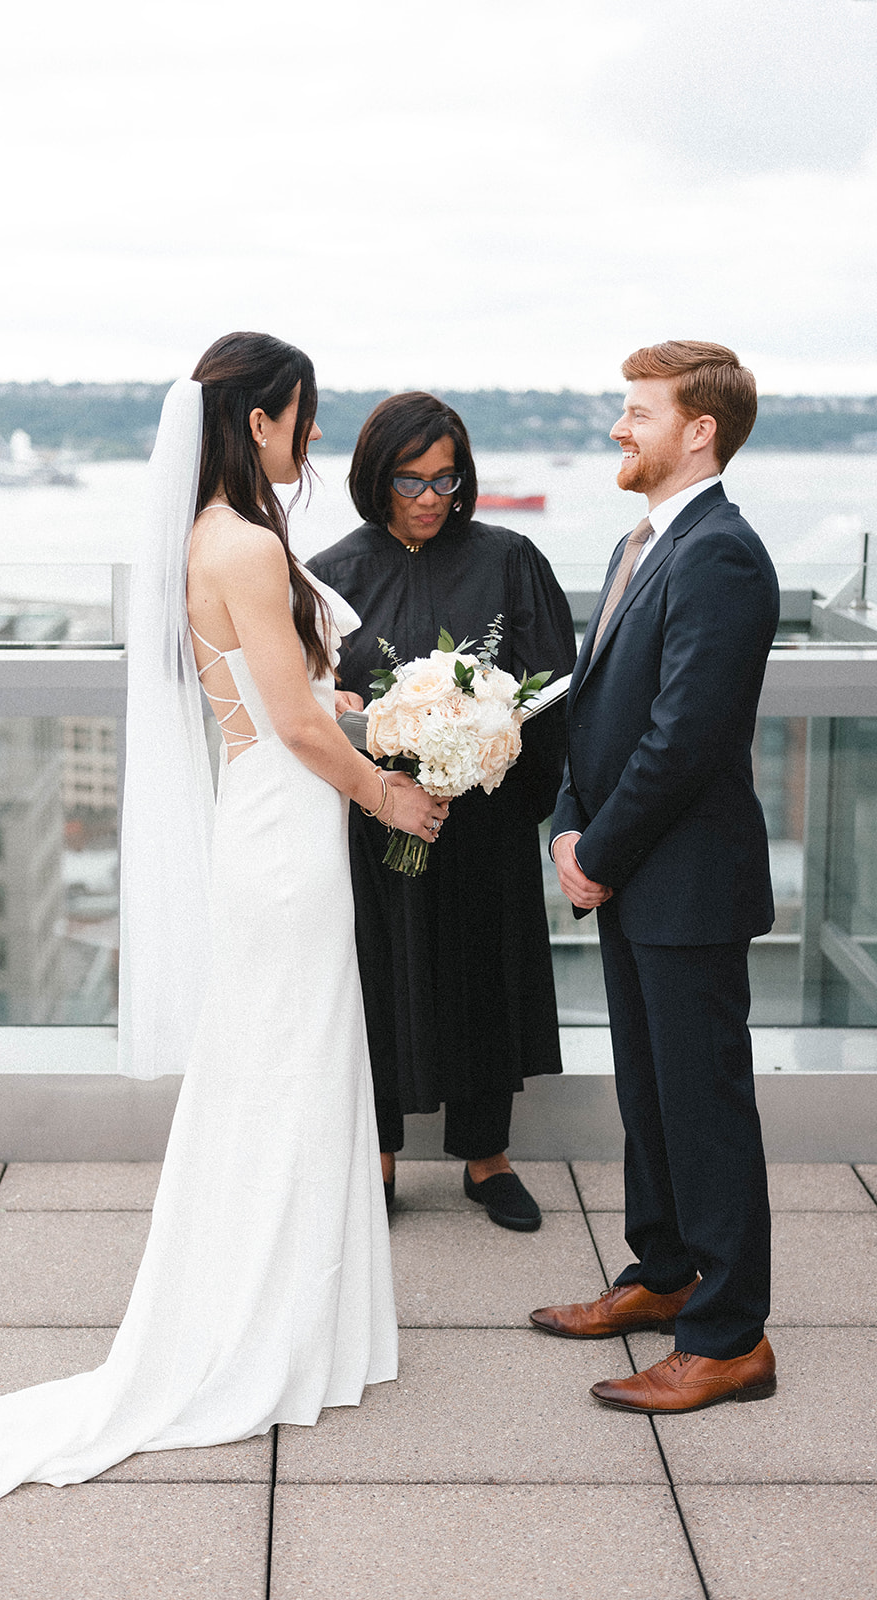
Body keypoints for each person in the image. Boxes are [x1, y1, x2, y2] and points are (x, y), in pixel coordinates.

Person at [0, 333, 447, 1548]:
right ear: (255, 421)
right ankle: (269, 1326)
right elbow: (288, 718)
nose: (312, 436)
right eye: (302, 415)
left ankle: (292, 1313)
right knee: (289, 1075)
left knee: (284, 1074)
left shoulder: (215, 539)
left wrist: (381, 714)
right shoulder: (241, 543)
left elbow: (287, 697)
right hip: (288, 836)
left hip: (272, 822)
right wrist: (392, 792)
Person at [532, 340, 780, 1414]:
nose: (620, 429)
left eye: (638, 413)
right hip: (633, 875)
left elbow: (684, 739)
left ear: (699, 431)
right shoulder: (643, 539)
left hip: (684, 885)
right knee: (651, 1095)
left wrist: (597, 851)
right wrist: (569, 821)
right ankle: (666, 1275)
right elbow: (598, 708)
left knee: (704, 1107)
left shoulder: (721, 554)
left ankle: (727, 1339)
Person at [308, 393, 575, 1228]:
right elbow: (311, 700)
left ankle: (487, 1160)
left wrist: (493, 764)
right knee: (377, 979)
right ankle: (378, 1159)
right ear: (375, 479)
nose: (431, 497)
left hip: (487, 821)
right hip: (377, 821)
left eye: (446, 478)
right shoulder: (330, 575)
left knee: (485, 976)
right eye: (410, 480)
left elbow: (551, 683)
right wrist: (358, 728)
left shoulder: (509, 559)